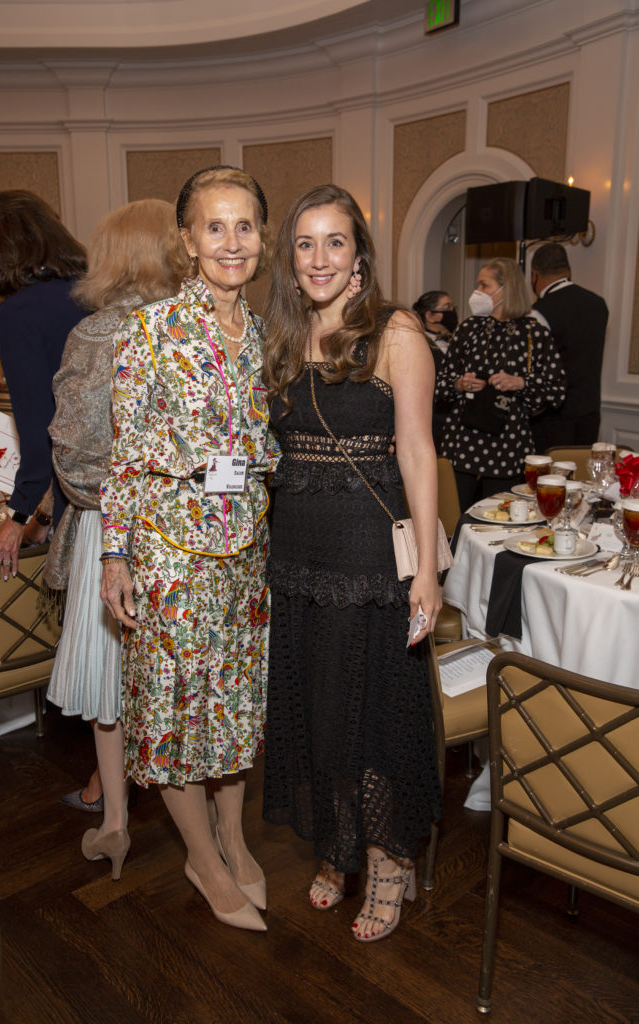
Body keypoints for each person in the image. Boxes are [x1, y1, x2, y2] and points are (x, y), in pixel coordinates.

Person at [261, 184, 443, 944]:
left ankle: (387, 856)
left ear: (359, 255)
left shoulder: (393, 332)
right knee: (315, 709)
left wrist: (427, 571)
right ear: (290, 258)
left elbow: (415, 453)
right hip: (297, 553)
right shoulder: (279, 333)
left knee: (367, 715)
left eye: (334, 241)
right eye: (305, 243)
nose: (319, 258)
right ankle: (337, 844)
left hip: (369, 557)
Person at [100, 166, 280, 931]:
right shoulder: (149, 330)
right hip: (171, 550)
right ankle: (201, 860)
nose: (231, 242)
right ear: (186, 240)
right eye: (215, 226)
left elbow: (257, 440)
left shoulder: (262, 333)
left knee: (231, 707)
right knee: (177, 711)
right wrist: (115, 556)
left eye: (244, 226)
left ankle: (234, 841)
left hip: (245, 550)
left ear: (261, 239)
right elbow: (124, 454)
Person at [43, 199, 189, 876]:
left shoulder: (95, 334)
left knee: (108, 688)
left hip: (114, 531)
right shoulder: (192, 328)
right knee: (179, 682)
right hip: (185, 531)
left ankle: (115, 824)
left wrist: (115, 499)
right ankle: (203, 842)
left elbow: (71, 454)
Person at [0, 190, 87, 578]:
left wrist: (17, 517)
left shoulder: (18, 313)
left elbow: (41, 432)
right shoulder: (93, 291)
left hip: (80, 497)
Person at [435, 257, 566, 512]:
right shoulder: (468, 328)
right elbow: (441, 384)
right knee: (452, 516)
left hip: (507, 441)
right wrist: (460, 384)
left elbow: (556, 389)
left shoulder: (533, 333)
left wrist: (520, 382)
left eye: (484, 285)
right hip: (463, 439)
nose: (477, 292)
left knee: (501, 518)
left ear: (506, 289)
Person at [529, 242, 609, 451]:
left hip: (553, 416)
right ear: (568, 270)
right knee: (582, 476)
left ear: (534, 274)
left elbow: (535, 366)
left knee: (550, 479)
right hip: (589, 410)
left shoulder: (539, 312)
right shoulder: (598, 304)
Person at [412, 290, 458, 446]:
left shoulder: (455, 341)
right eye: (447, 308)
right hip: (433, 420)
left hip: (454, 419)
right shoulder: (420, 344)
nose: (452, 313)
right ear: (430, 316)